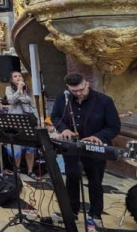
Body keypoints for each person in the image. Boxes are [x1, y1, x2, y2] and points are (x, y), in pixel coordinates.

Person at [50, 73, 121, 227]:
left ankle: (95, 215)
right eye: (74, 91)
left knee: (95, 181)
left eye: (81, 90)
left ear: (87, 84)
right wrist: (64, 129)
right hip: (72, 146)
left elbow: (114, 126)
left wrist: (99, 136)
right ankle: (72, 212)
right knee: (72, 178)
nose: (79, 93)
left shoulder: (104, 101)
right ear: (68, 88)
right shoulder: (64, 98)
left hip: (94, 148)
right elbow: (55, 116)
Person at [5, 71, 40, 179]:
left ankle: (30, 171)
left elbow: (32, 105)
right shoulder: (9, 89)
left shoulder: (27, 89)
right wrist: (19, 90)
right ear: (12, 80)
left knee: (30, 148)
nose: (18, 78)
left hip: (28, 122)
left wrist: (37, 120)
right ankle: (17, 171)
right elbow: (11, 101)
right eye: (15, 76)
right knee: (17, 148)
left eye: (20, 76)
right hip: (15, 121)